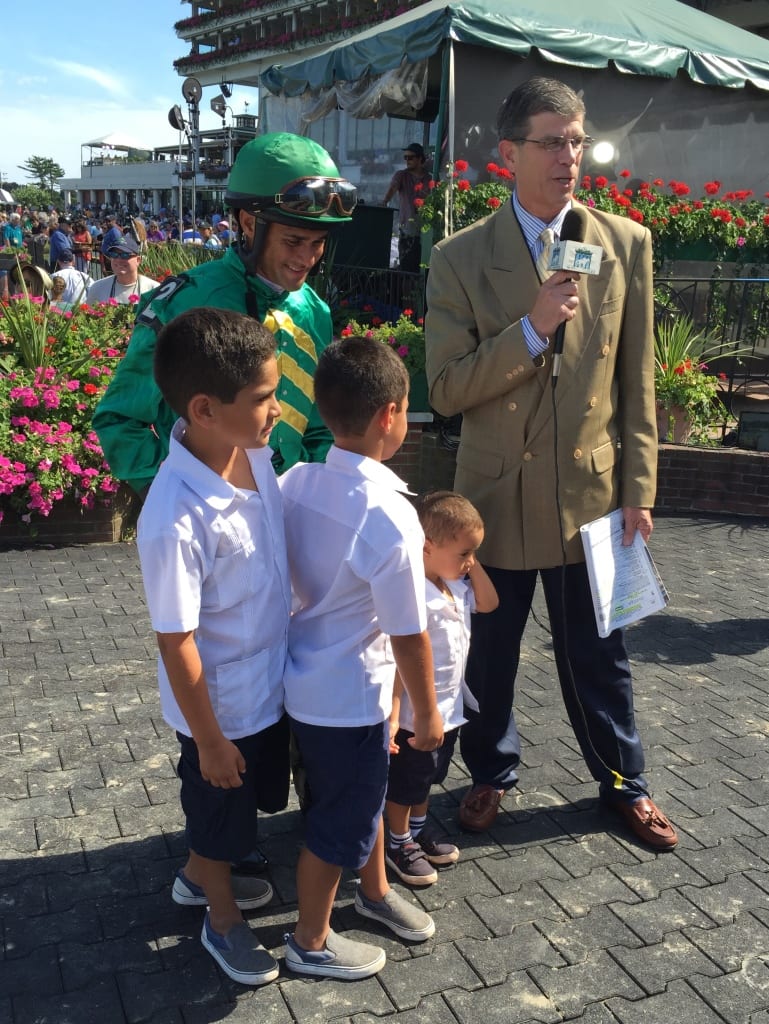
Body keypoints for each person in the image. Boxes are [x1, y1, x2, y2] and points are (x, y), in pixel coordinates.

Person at [424, 76, 678, 851]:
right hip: (495, 500)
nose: (569, 156)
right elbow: (444, 386)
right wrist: (529, 332)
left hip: (592, 495)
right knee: (489, 659)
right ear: (507, 154)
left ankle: (621, 782)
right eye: (550, 142)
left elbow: (635, 377)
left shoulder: (622, 242)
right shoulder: (460, 257)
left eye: (576, 140)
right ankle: (490, 774)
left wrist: (638, 488)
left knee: (599, 654)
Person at [279, 336, 443, 980]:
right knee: (339, 821)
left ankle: (373, 893)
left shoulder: (297, 480)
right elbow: (409, 633)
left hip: (304, 681)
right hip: (350, 697)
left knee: (355, 800)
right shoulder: (392, 514)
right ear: (391, 415)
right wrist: (427, 714)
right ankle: (310, 939)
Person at [136, 306, 289, 986]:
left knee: (238, 813)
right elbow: (177, 640)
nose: (277, 411)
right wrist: (208, 741)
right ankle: (220, 919)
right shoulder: (174, 515)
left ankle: (200, 877)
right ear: (203, 408)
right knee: (219, 810)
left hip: (265, 687)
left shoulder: (252, 454)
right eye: (263, 399)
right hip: (217, 709)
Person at [93, 132, 356, 499]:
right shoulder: (184, 303)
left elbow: (319, 427)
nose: (307, 258)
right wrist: (177, 493)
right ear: (249, 223)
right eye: (294, 241)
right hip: (205, 524)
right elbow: (119, 419)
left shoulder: (314, 310)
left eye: (318, 243)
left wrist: (306, 497)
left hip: (286, 519)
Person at [385, 491, 499, 886]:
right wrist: (394, 714)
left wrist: (470, 562)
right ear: (426, 547)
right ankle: (397, 842)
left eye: (473, 553)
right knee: (404, 784)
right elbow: (400, 662)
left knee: (428, 778)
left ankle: (416, 830)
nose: (469, 562)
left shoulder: (456, 586)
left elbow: (490, 603)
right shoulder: (415, 593)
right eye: (464, 553)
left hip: (448, 711)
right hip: (416, 716)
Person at [382, 142, 431, 273]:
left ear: (420, 158)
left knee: (423, 268)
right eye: (405, 158)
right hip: (407, 230)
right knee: (407, 269)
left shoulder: (429, 178)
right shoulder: (402, 175)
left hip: (425, 230)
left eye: (411, 157)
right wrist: (384, 202)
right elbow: (392, 190)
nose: (407, 161)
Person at [86, 234, 159, 306]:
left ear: (138, 260)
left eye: (125, 255)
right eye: (114, 255)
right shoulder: (97, 288)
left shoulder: (154, 290)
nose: (119, 260)